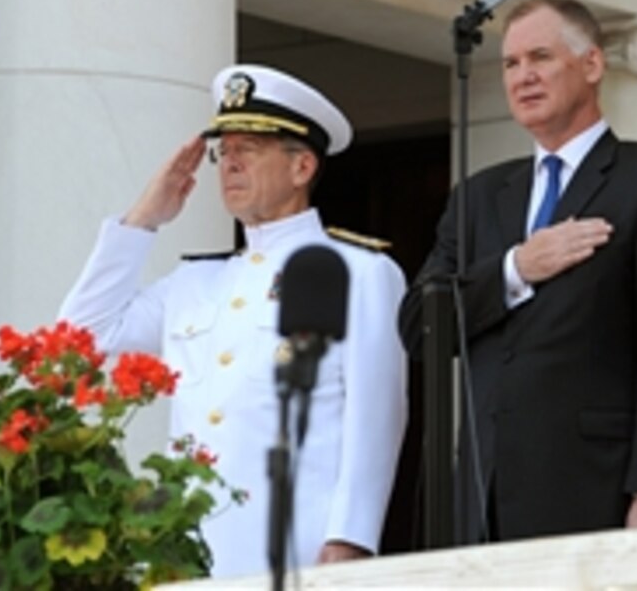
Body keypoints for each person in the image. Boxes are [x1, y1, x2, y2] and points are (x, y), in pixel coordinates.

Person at [59, 65, 407, 578]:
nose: (231, 164)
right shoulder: (195, 282)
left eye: (251, 148)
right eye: (226, 150)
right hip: (187, 552)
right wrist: (143, 219)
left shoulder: (359, 271)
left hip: (295, 550)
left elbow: (377, 415)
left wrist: (351, 537)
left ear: (302, 167)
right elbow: (80, 339)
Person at [399, 0, 637, 543]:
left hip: (595, 493)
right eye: (511, 63)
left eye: (540, 57)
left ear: (591, 64)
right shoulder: (479, 196)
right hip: (482, 498)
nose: (523, 76)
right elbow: (418, 326)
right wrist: (515, 268)